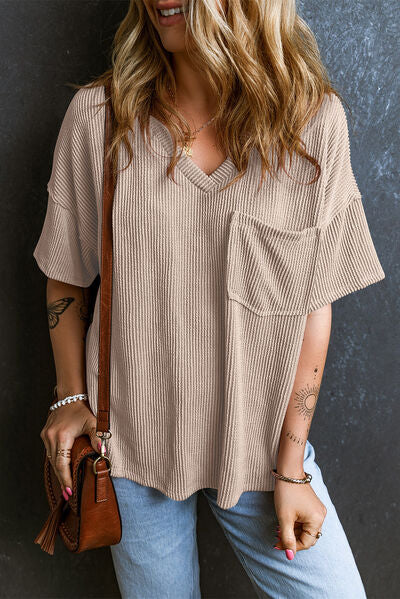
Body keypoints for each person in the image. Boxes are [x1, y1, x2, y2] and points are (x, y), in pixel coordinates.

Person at [33, 1, 385, 597]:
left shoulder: (311, 124)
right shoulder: (100, 119)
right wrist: (69, 395)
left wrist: (291, 468)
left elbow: (313, 304)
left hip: (260, 452)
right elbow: (66, 274)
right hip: (131, 453)